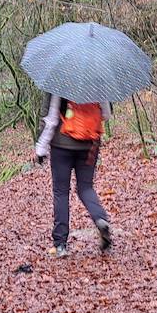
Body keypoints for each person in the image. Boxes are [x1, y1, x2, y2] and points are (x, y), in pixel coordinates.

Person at [34, 93, 112, 256]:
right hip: (89, 144)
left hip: (62, 145)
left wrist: (40, 148)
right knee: (86, 188)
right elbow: (106, 114)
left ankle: (60, 244)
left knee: (61, 192)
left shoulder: (59, 80)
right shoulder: (98, 81)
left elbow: (51, 119)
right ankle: (100, 218)